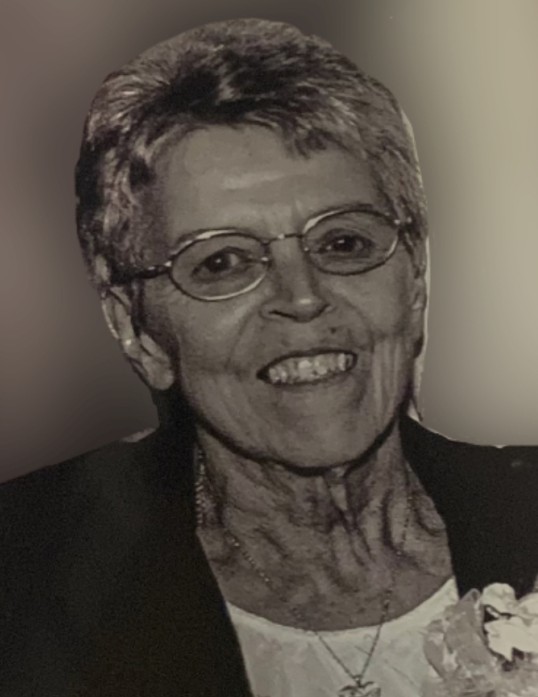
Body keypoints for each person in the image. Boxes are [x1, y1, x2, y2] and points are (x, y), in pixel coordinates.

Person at [1, 17, 537, 697]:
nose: (303, 297)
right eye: (221, 262)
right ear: (134, 326)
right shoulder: (26, 585)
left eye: (343, 242)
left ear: (416, 277)